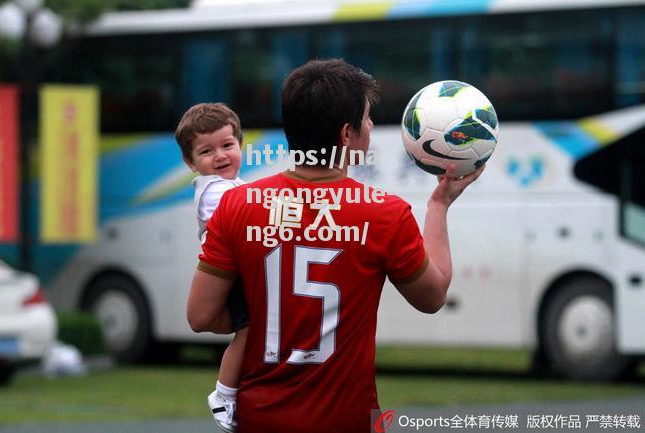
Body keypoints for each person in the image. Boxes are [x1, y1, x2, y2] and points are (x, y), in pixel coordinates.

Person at [187, 59, 484, 433]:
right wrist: (439, 205)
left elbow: (201, 316)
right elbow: (433, 296)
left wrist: (266, 318)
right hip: (349, 420)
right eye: (367, 117)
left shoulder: (236, 205)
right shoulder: (386, 214)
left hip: (260, 418)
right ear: (347, 133)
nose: (372, 127)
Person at [175, 102, 248, 433]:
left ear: (240, 144)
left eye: (227, 145)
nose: (220, 156)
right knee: (249, 332)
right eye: (207, 151)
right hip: (231, 278)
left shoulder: (235, 185)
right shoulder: (212, 191)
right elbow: (238, 219)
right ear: (191, 163)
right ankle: (224, 394)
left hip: (243, 273)